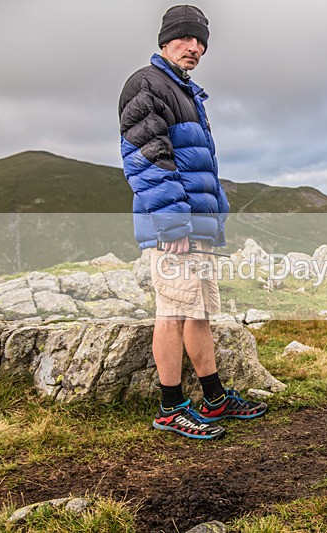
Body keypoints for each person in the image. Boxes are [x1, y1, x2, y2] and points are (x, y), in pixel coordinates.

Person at [119, 5, 266, 440]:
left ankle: (215, 397)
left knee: (197, 311)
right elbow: (145, 157)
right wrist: (172, 222)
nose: (195, 48)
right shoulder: (147, 84)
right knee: (172, 311)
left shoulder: (185, 92)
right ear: (165, 40)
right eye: (185, 38)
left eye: (201, 41)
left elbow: (193, 162)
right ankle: (170, 407)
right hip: (175, 227)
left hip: (195, 225)